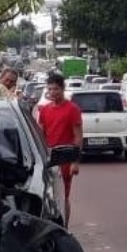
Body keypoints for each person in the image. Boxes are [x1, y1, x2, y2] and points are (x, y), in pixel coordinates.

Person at [38, 72, 83, 227]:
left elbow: (78, 136)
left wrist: (75, 162)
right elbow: (40, 134)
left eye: (55, 89)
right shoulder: (44, 110)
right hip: (48, 157)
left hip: (65, 157)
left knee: (63, 196)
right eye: (49, 89)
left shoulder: (72, 109)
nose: (52, 92)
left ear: (62, 89)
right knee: (46, 195)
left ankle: (65, 228)